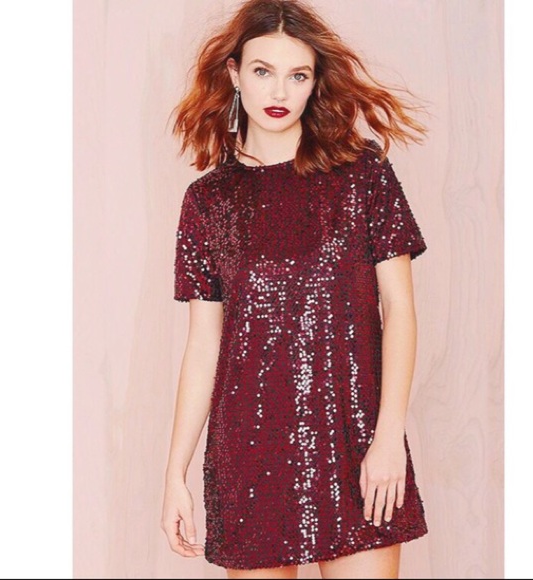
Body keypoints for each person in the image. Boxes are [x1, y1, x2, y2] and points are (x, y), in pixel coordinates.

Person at [161, 1, 430, 578]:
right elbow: (204, 346)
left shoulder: (363, 174)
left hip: (357, 444)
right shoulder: (208, 202)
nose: (279, 90)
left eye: (298, 74)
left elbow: (400, 311)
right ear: (235, 73)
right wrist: (174, 472)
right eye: (263, 70)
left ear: (314, 82)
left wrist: (389, 437)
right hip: (249, 455)